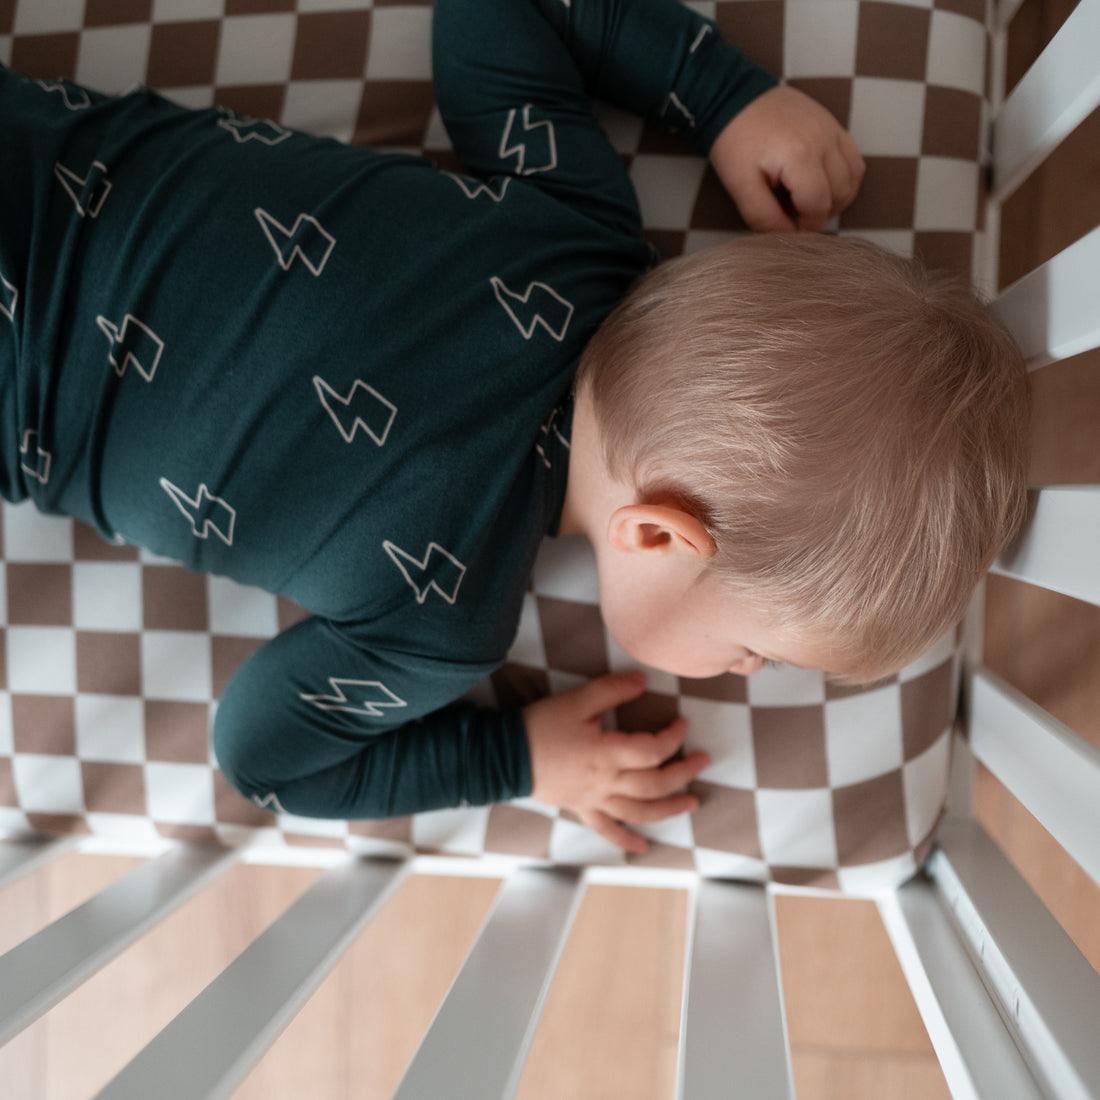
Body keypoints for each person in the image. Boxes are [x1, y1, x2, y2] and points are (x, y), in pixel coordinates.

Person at [0, 0, 1028, 854]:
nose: (748, 672)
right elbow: (265, 756)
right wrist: (515, 757)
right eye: (759, 645)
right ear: (657, 535)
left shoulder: (571, 218)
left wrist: (723, 98)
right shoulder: (438, 621)